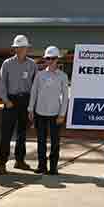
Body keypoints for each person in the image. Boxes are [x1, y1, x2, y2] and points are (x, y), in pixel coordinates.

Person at [0, 35, 38, 175]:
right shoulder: (7, 64)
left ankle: (19, 161)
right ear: (14, 49)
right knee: (6, 134)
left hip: (25, 101)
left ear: (27, 49)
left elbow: (35, 86)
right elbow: (1, 84)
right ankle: (1, 163)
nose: (20, 50)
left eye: (23, 48)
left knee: (22, 133)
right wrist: (6, 101)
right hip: (11, 101)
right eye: (18, 48)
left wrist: (31, 106)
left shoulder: (32, 64)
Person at [28, 46, 70, 175]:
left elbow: (65, 97)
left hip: (55, 114)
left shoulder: (62, 76)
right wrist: (30, 109)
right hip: (40, 113)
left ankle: (53, 167)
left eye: (52, 58)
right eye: (48, 58)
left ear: (57, 59)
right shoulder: (40, 75)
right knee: (41, 141)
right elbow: (34, 92)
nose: (50, 61)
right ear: (45, 59)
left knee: (55, 142)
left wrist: (62, 114)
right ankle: (42, 166)